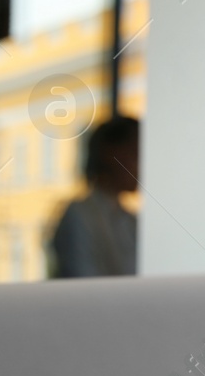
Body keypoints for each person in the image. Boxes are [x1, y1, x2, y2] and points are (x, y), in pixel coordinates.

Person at [50, 115, 139, 278]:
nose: (140, 164)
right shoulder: (79, 215)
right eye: (134, 153)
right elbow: (83, 282)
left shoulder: (129, 220)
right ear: (111, 154)